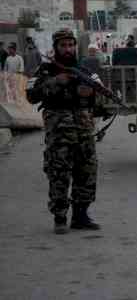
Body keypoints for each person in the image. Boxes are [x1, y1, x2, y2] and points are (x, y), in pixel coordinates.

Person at [26, 29, 102, 234]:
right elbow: (31, 96)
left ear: (76, 46)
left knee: (86, 172)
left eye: (71, 45)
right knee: (59, 173)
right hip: (59, 134)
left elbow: (101, 101)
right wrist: (55, 81)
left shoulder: (85, 70)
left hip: (84, 133)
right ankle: (60, 217)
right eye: (63, 45)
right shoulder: (45, 71)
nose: (68, 49)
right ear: (56, 47)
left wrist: (91, 94)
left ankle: (81, 216)